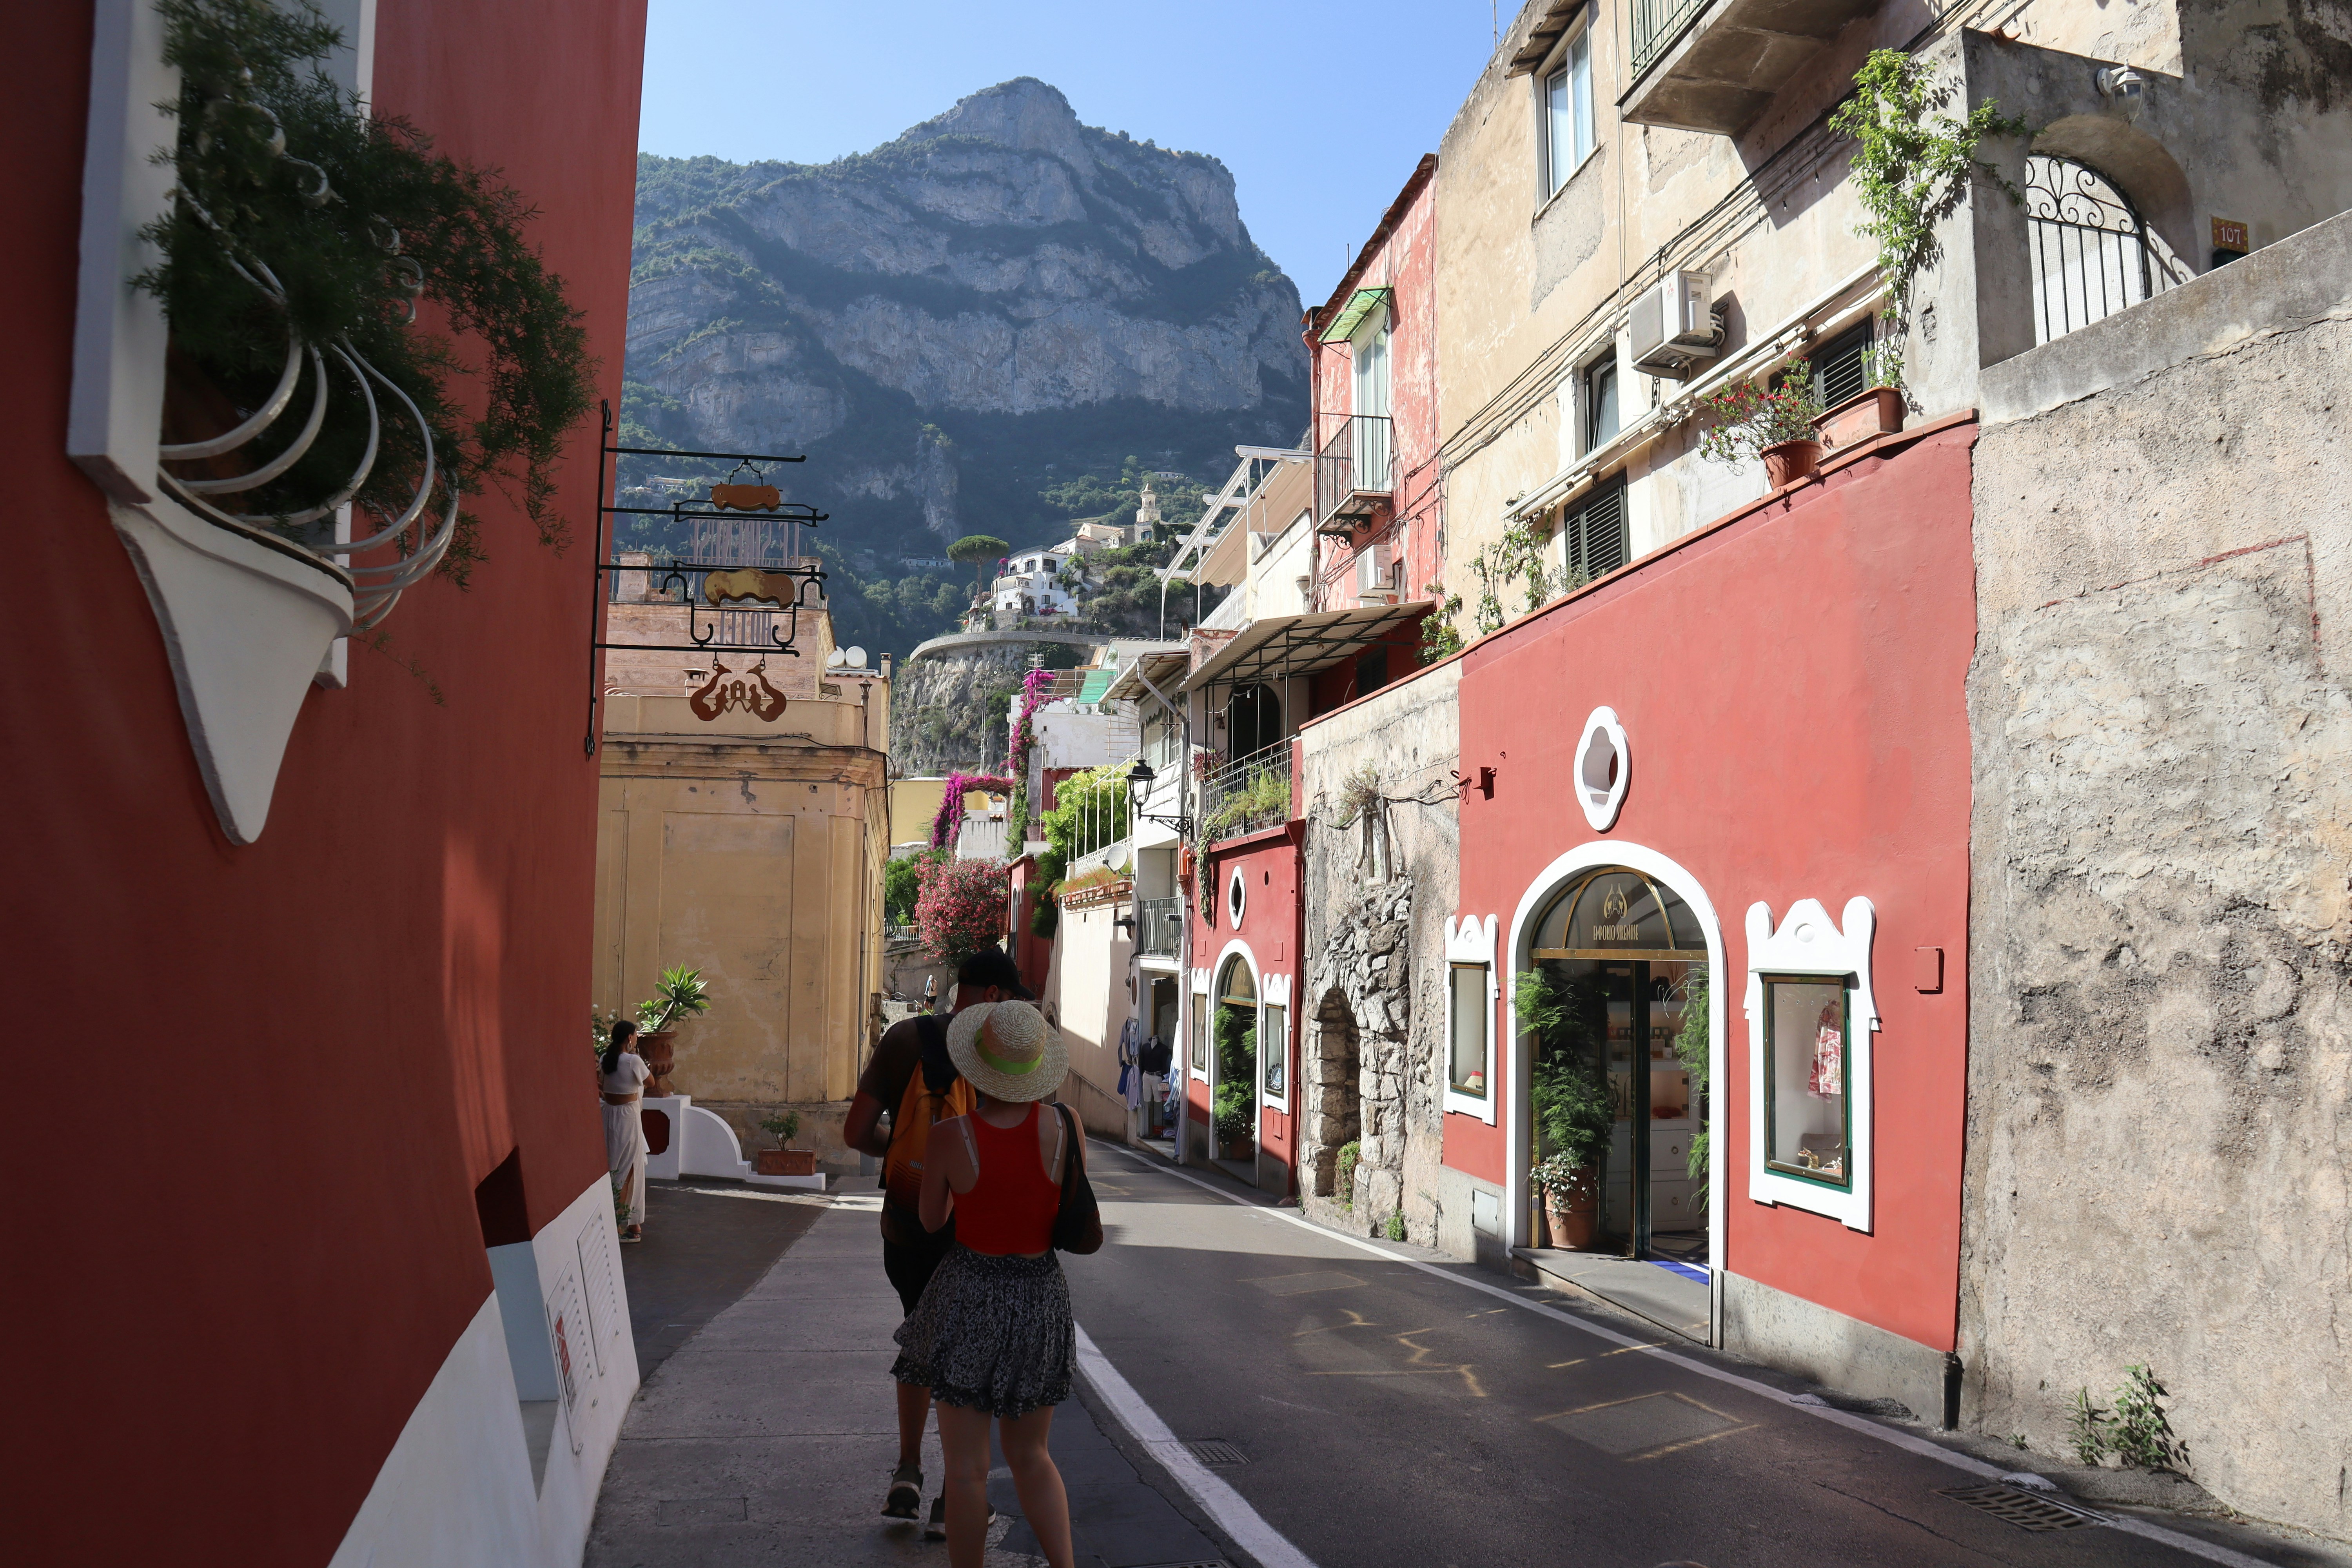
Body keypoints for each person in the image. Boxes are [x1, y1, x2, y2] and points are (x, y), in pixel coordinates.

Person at [841, 945, 1031, 1529]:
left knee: (920, 1341)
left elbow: (855, 1132)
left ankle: (907, 1469)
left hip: (906, 1228)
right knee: (966, 1356)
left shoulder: (904, 1041)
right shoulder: (1007, 1055)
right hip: (978, 1233)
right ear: (995, 997)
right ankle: (957, 1494)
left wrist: (902, 1158)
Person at [893, 1000, 1082, 1568]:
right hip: (1039, 1294)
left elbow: (931, 1222)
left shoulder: (952, 1136)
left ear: (978, 1067)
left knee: (966, 1469)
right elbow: (1064, 1208)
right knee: (1032, 1457)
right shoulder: (1066, 1128)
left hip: (970, 1291)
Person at [599, 1020, 650, 1243]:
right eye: (636, 1034)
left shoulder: (605, 1059)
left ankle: (630, 1223)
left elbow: (602, 1083)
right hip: (628, 1116)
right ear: (630, 1037)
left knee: (613, 1165)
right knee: (630, 1167)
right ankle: (624, 1224)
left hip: (609, 1114)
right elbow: (651, 1081)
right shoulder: (633, 1061)